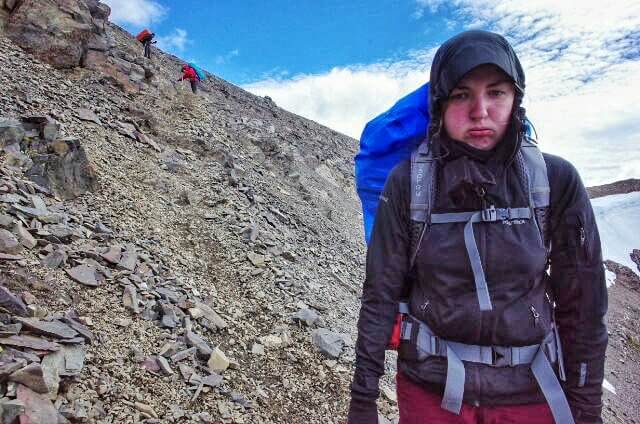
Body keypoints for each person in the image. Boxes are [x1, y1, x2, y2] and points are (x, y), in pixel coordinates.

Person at [348, 30, 607, 424]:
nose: (479, 111)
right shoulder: (408, 184)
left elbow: (584, 306)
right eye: (461, 94)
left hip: (533, 391)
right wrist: (363, 401)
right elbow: (380, 295)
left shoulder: (554, 180)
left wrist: (587, 410)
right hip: (432, 392)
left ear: (516, 98)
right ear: (439, 103)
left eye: (497, 92)